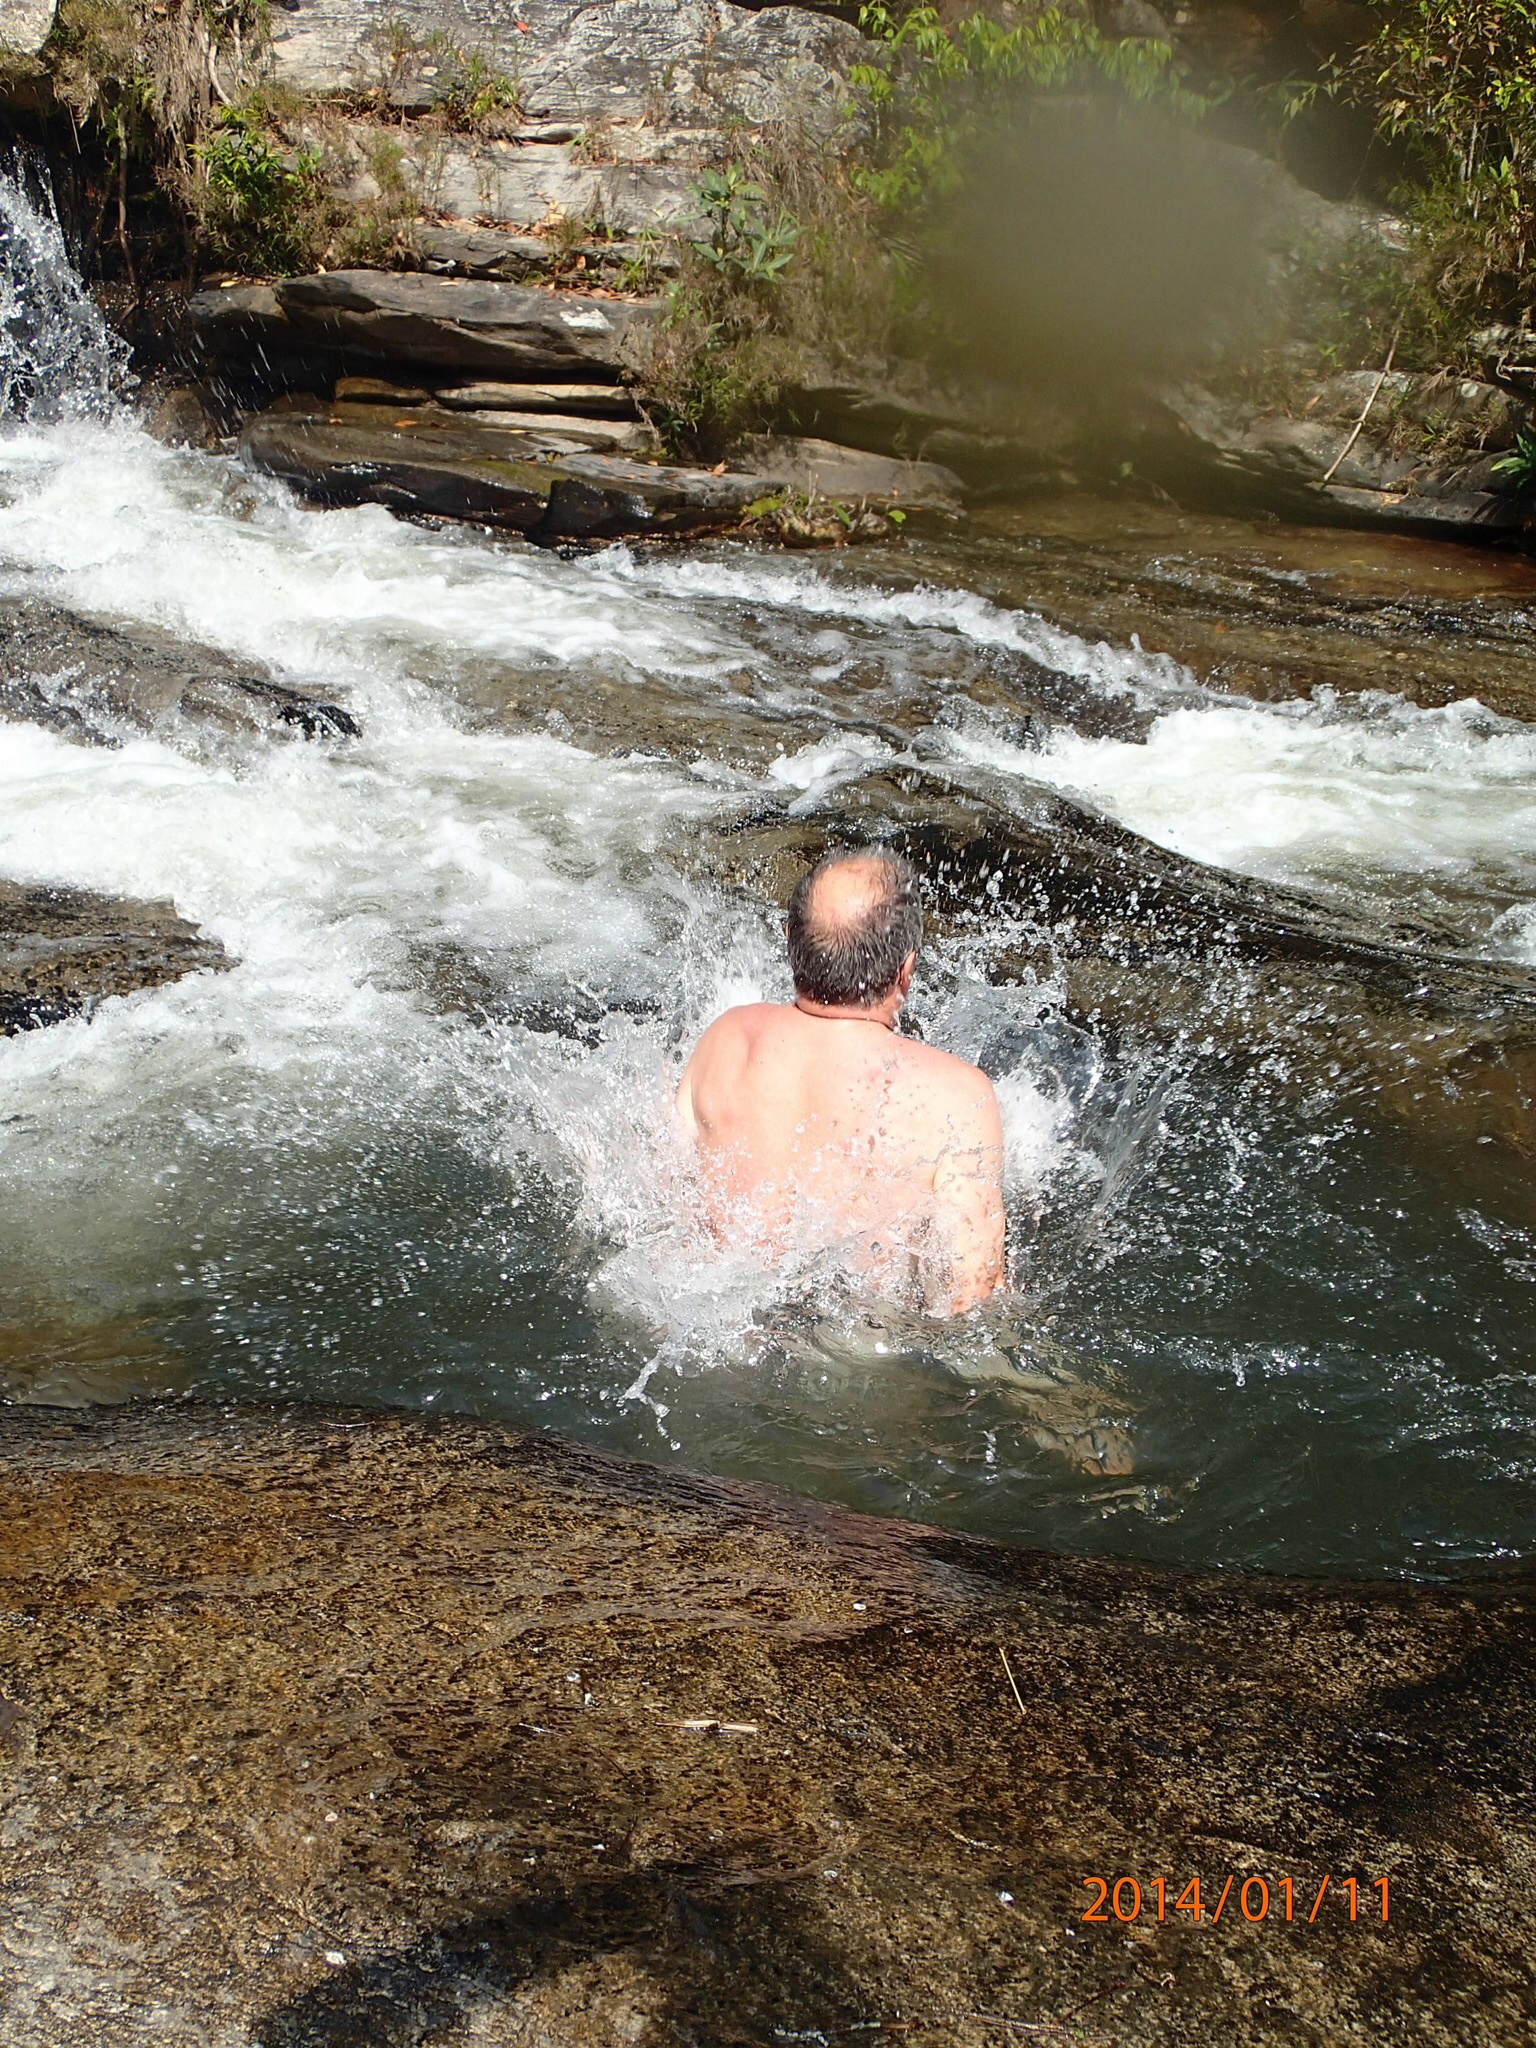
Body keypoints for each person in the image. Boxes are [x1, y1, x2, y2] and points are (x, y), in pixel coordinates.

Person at [675, 847, 1005, 1315]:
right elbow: (971, 1296)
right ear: (905, 971)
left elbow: (666, 1194)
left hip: (718, 1316)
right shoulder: (956, 1094)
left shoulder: (725, 1040)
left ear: (790, 941)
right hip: (858, 1339)